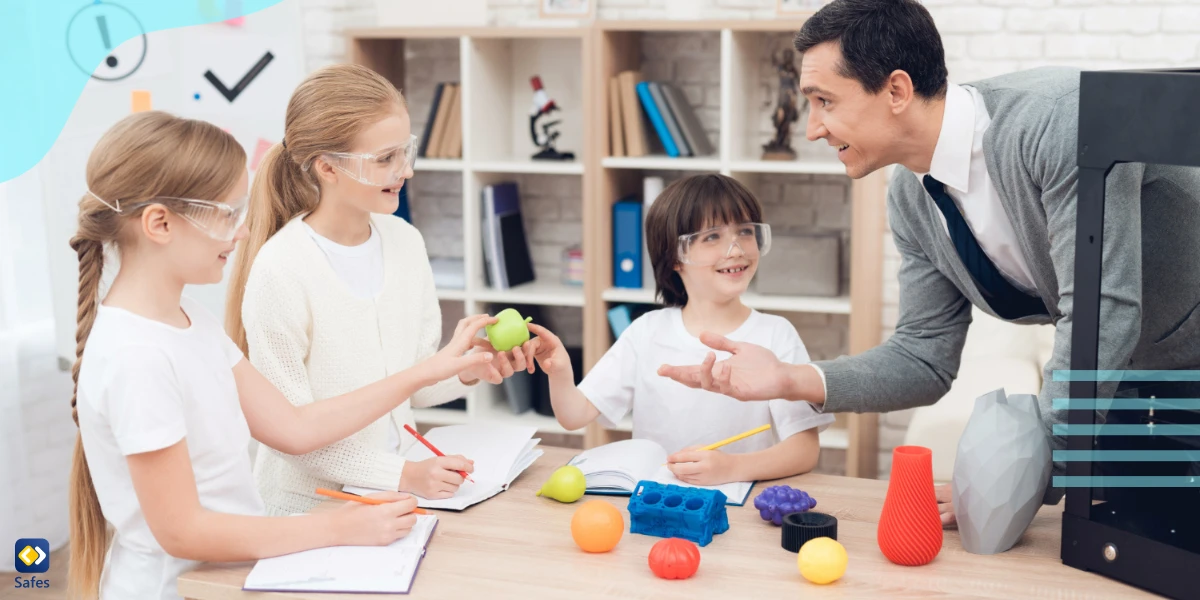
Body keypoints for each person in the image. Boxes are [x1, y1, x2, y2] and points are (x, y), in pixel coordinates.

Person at [658, 0, 1200, 523]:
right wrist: (790, 379)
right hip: (1128, 388)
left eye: (825, 101)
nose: (812, 128)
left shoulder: (1058, 122)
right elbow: (924, 358)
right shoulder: (913, 197)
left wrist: (1023, 474)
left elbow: (1101, 311)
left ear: (896, 89)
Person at [68, 111, 495, 600]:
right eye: (227, 214)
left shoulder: (189, 323)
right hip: (175, 589)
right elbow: (182, 532)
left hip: (227, 578)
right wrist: (339, 527)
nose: (244, 231)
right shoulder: (136, 357)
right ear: (160, 223)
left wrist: (431, 371)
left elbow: (294, 428)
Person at [225, 64, 534, 516]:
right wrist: (404, 475)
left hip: (397, 502)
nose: (405, 170)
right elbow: (290, 437)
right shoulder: (281, 270)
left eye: (405, 151)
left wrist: (471, 366)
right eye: (385, 159)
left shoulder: (405, 241)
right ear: (327, 166)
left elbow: (407, 385)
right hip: (307, 512)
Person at [528, 174, 833, 485]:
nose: (736, 249)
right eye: (712, 236)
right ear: (675, 257)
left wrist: (731, 469)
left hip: (740, 507)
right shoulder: (646, 331)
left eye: (744, 231)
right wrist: (560, 371)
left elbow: (804, 451)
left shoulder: (776, 334)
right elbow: (574, 415)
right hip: (657, 506)